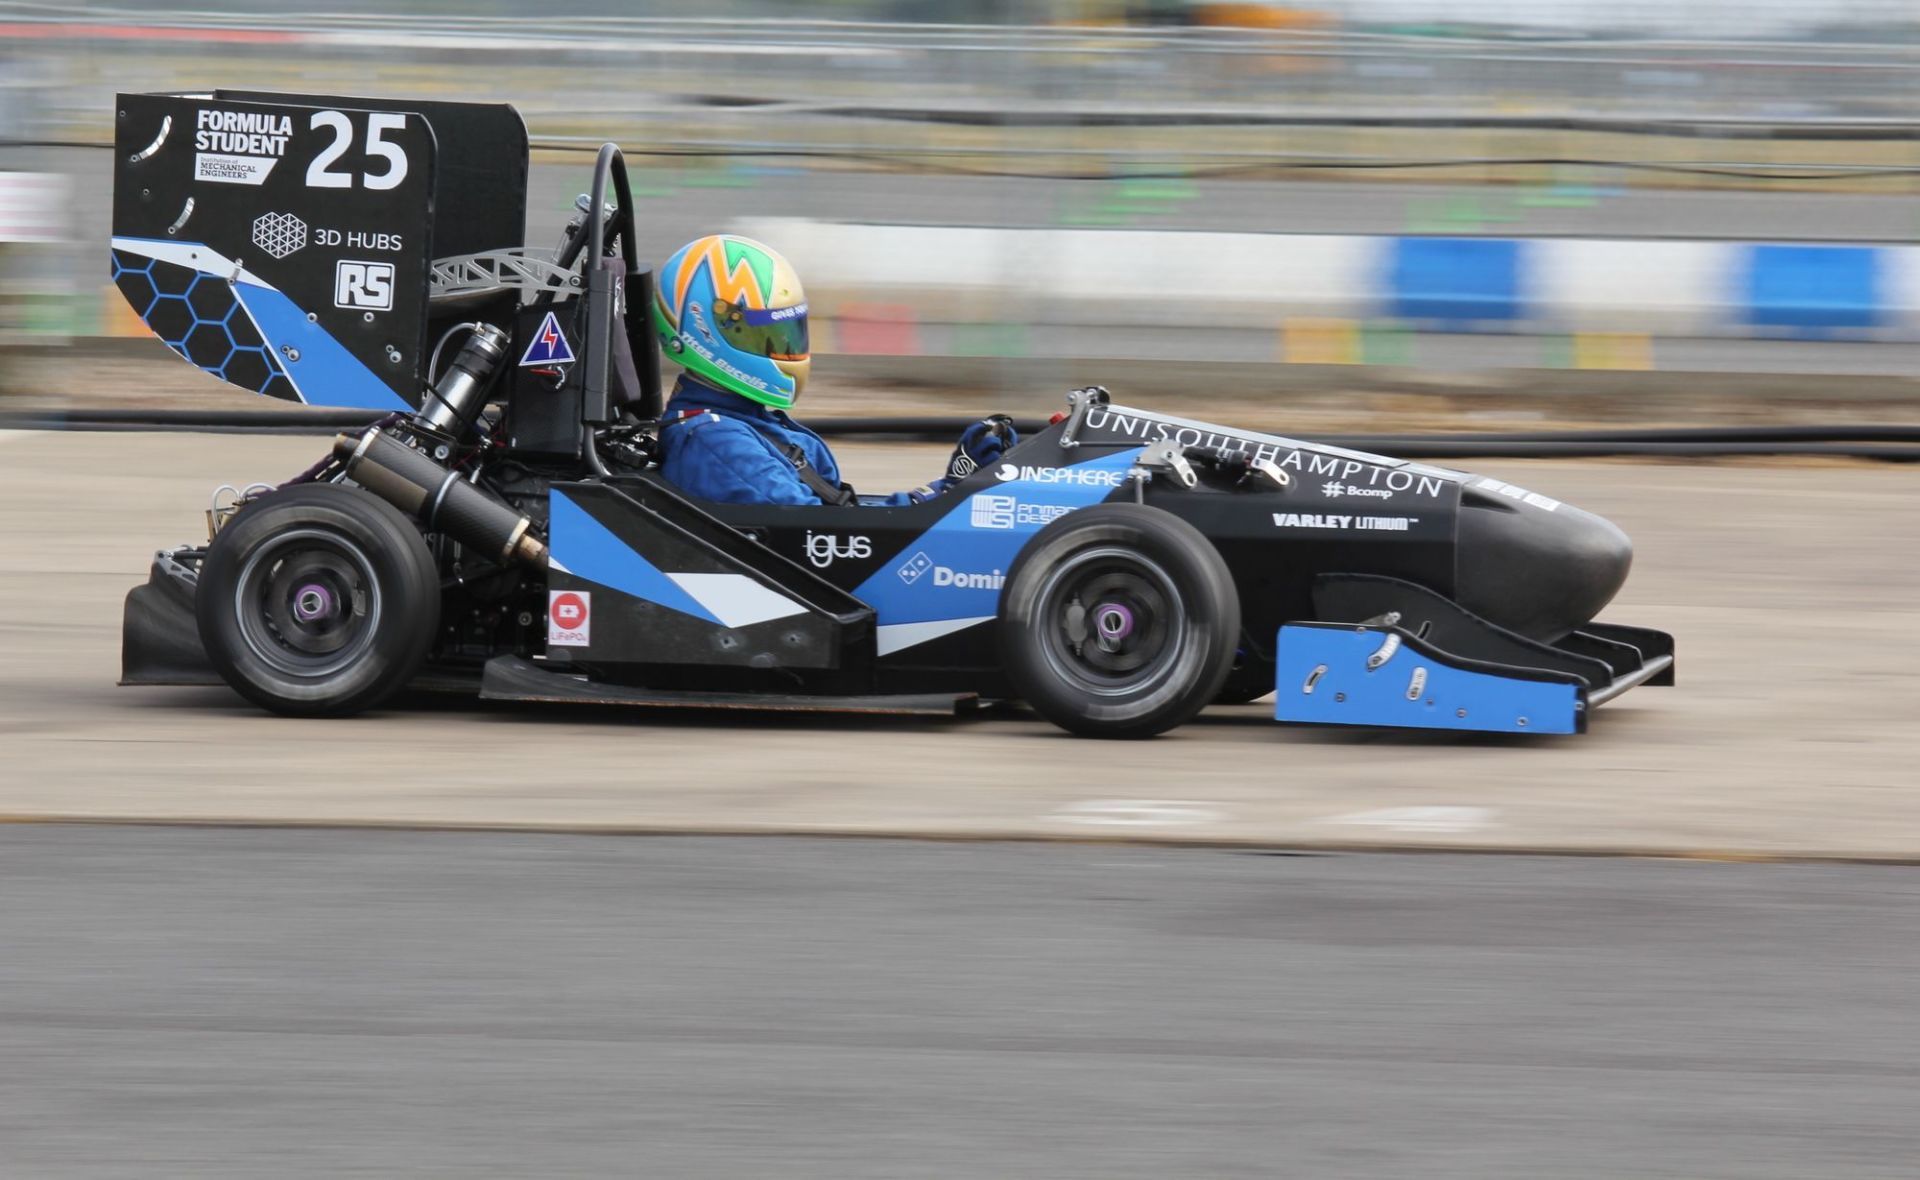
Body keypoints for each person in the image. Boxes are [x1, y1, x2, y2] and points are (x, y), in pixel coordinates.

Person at [650, 234, 1016, 506]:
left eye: (786, 333)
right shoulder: (718, 442)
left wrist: (950, 489)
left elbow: (839, 514)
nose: (783, 348)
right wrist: (947, 495)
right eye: (765, 335)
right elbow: (828, 535)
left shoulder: (745, 420)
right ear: (706, 334)